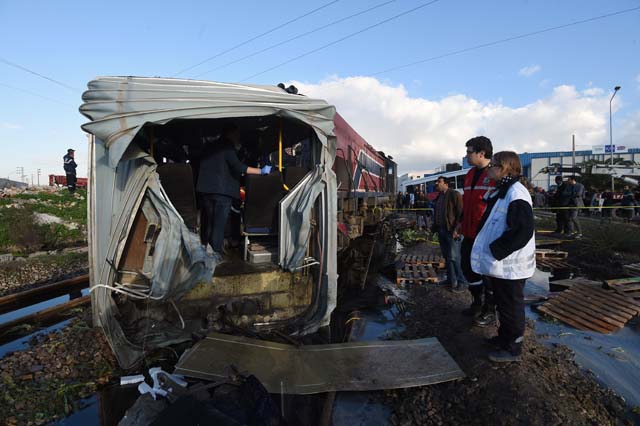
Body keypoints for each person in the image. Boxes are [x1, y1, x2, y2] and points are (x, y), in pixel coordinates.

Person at [471, 151, 535, 363]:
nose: (489, 169)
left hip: (510, 265)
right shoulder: (503, 191)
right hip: (502, 264)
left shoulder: (516, 193)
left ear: (504, 168)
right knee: (503, 304)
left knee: (511, 306)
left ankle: (513, 348)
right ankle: (503, 338)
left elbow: (522, 231)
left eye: (493, 165)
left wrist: (497, 250)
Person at [196, 124, 271, 260]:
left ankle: (206, 253)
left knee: (209, 223)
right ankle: (215, 256)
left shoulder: (210, 146)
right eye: (237, 134)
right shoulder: (227, 147)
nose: (238, 137)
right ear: (230, 133)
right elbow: (238, 167)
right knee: (218, 226)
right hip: (222, 191)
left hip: (206, 190)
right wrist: (261, 171)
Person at [458, 136, 495, 320]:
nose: (466, 156)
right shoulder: (470, 174)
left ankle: (489, 310)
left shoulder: (495, 175)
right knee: (467, 266)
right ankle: (476, 302)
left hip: (486, 234)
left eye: (469, 152)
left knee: (487, 272)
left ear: (481, 153)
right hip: (469, 232)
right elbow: (467, 203)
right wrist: (460, 222)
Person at [432, 176, 467, 292]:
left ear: (446, 184)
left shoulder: (454, 194)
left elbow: (461, 213)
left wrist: (457, 229)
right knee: (447, 257)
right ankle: (451, 280)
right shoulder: (440, 196)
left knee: (454, 257)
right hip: (442, 230)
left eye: (439, 182)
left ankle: (462, 282)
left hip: (452, 232)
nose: (437, 183)